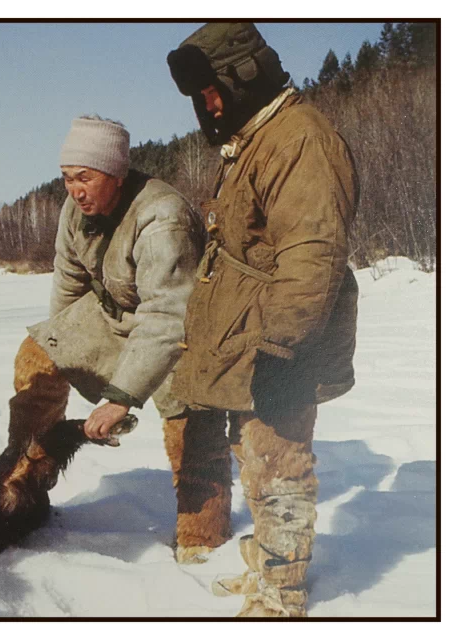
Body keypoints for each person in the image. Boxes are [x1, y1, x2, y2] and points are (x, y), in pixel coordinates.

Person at [166, 23, 359, 616]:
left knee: (280, 466)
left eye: (214, 89)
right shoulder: (257, 138)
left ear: (244, 75)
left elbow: (311, 253)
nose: (209, 104)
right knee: (256, 456)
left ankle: (282, 597)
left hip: (284, 340)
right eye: (200, 97)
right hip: (251, 336)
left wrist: (282, 348)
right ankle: (267, 572)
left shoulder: (299, 140)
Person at [0, 115, 213, 555]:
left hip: (181, 328)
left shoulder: (161, 216)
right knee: (36, 354)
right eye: (67, 178)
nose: (75, 189)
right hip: (115, 316)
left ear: (116, 175)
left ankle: (202, 535)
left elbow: (168, 315)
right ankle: (23, 485)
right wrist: (62, 351)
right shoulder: (75, 213)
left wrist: (121, 396)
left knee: (186, 416)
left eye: (86, 177)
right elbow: (69, 284)